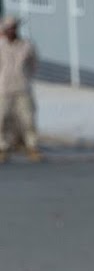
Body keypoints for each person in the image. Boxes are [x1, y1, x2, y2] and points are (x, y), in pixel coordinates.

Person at [0, 15, 41, 162]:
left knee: (28, 119)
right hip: (4, 89)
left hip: (23, 88)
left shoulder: (26, 46)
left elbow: (34, 64)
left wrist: (27, 77)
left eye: (13, 28)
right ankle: (3, 148)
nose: (10, 31)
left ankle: (32, 147)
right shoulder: (1, 46)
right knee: (2, 120)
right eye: (8, 29)